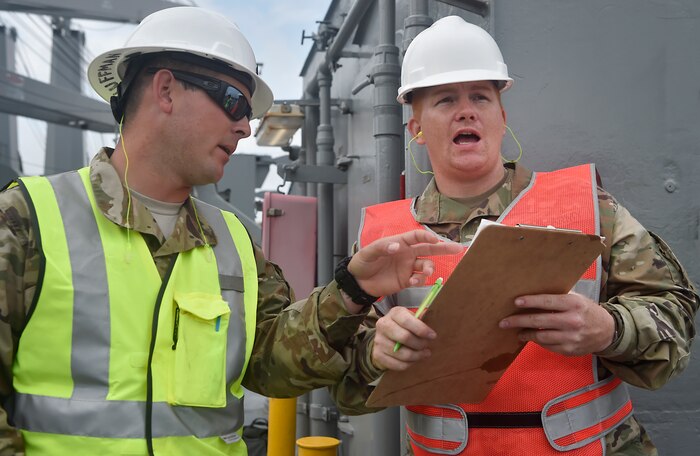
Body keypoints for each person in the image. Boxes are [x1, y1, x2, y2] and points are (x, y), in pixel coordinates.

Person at [0, 7, 463, 456]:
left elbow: (272, 365)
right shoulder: (28, 218)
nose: (244, 126)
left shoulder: (234, 238)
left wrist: (352, 289)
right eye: (234, 102)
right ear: (165, 90)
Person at [348, 16, 699, 456]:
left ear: (501, 116)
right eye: (444, 99)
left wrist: (609, 329)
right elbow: (341, 376)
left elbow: (677, 314)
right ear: (416, 127)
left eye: (481, 96)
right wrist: (375, 352)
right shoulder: (382, 239)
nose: (466, 109)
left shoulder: (589, 208)